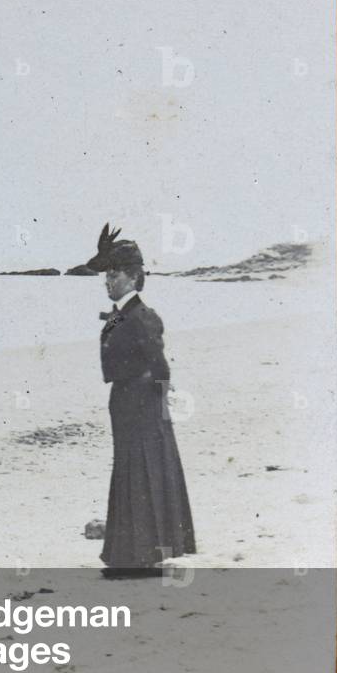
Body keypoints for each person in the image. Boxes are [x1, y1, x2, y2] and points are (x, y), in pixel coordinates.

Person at [85, 224, 196, 577]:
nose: (107, 281)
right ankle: (131, 554)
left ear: (133, 278)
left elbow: (160, 365)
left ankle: (140, 557)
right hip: (127, 402)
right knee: (131, 472)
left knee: (141, 472)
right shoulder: (124, 313)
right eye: (105, 274)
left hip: (141, 405)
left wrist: (158, 400)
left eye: (114, 274)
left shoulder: (141, 316)